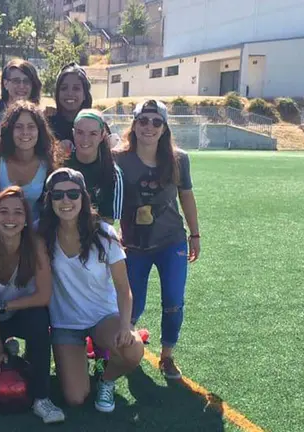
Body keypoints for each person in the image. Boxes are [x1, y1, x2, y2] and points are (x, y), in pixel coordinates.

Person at [38, 168, 144, 413]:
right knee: (76, 398)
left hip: (103, 317)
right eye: (58, 195)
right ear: (49, 199)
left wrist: (126, 325)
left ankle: (106, 379)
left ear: (83, 198)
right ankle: (91, 358)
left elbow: (123, 288)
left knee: (133, 349)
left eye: (73, 194)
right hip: (65, 323)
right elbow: (6, 230)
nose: (66, 201)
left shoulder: (104, 233)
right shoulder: (40, 232)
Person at [116, 100, 201, 380]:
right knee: (132, 303)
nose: (149, 127)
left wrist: (195, 234)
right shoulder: (119, 158)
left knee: (173, 301)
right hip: (133, 243)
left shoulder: (179, 159)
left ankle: (167, 356)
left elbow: (186, 196)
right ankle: (125, 350)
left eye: (156, 122)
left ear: (164, 128)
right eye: (143, 121)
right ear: (134, 124)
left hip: (171, 240)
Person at [0, 186, 65, 424]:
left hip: (21, 312)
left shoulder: (35, 245)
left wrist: (2, 307)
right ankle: (6, 347)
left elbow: (43, 296)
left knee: (39, 319)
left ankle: (41, 398)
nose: (10, 219)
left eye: (17, 213)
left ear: (25, 219)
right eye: (3, 212)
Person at [0, 101, 62, 220]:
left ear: (40, 130)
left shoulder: (48, 161)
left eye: (31, 127)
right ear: (9, 130)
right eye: (18, 127)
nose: (25, 132)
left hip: (33, 230)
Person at [64, 109, 123, 224]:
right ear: (73, 133)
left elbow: (111, 222)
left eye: (93, 134)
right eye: (80, 132)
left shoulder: (112, 173)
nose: (85, 139)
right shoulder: (61, 166)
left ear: (102, 136)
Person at [46, 63, 93, 149]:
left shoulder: (96, 125)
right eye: (64, 88)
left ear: (85, 95)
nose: (70, 93)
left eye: (76, 88)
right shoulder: (46, 125)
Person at [0, 59, 42, 126]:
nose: (21, 86)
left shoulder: (39, 115)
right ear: (5, 84)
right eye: (16, 81)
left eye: (26, 81)